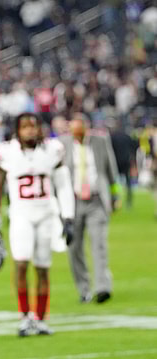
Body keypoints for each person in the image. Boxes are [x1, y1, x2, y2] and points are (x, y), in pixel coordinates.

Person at [0, 113, 75, 336]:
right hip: (21, 215)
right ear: (17, 130)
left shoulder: (51, 150)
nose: (30, 131)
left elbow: (63, 185)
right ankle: (25, 316)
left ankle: (41, 317)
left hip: (46, 214)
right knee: (21, 264)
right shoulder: (7, 151)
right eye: (25, 127)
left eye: (33, 126)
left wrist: (68, 216)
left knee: (43, 267)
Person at [59, 113, 120, 304]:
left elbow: (111, 170)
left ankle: (103, 288)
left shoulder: (100, 141)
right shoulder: (63, 144)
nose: (76, 135)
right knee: (74, 247)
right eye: (73, 132)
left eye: (79, 131)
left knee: (98, 244)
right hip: (72, 202)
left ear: (86, 128)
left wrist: (115, 195)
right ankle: (84, 289)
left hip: (96, 200)